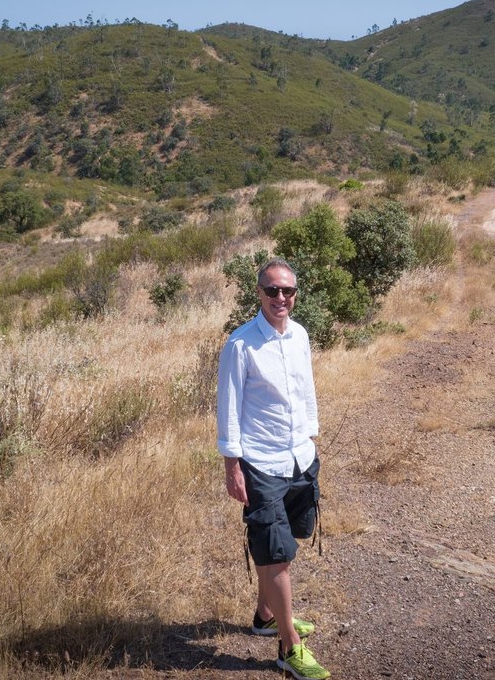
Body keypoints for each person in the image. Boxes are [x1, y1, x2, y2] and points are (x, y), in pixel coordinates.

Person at [216, 258, 330, 680]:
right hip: (261, 462)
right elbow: (227, 409)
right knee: (276, 552)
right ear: (258, 293)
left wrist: (311, 438)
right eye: (272, 290)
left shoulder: (299, 335)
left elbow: (306, 389)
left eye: (287, 290)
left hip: (299, 456)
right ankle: (289, 648)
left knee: (293, 535)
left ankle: (265, 615)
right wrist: (233, 467)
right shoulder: (241, 345)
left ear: (296, 293)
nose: (280, 298)